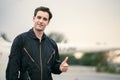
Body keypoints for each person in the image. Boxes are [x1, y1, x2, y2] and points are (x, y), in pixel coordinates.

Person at [6, 6, 69, 80]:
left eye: (45, 19)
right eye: (39, 17)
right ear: (34, 18)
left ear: (48, 22)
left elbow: (54, 66)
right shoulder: (20, 40)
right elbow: (12, 70)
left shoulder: (52, 44)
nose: (41, 21)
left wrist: (60, 67)